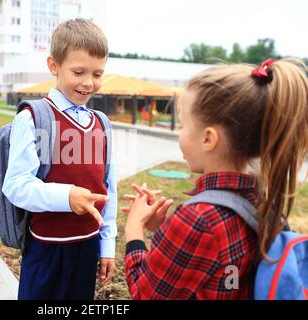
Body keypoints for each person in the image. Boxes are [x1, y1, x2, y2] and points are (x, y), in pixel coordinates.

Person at [123, 58, 308, 299]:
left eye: (183, 126)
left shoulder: (198, 220)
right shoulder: (260, 202)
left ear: (208, 138)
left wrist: (134, 229)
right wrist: (165, 231)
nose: (180, 134)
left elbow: (144, 295)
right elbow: (226, 274)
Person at [3, 18, 117, 300]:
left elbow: (107, 189)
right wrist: (67, 197)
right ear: (53, 65)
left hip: (88, 248)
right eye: (78, 72)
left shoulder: (101, 124)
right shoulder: (33, 118)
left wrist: (107, 246)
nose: (89, 83)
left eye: (98, 74)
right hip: (47, 251)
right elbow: (16, 185)